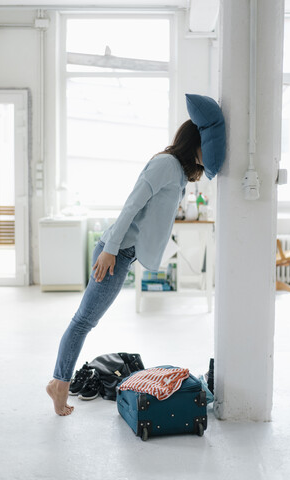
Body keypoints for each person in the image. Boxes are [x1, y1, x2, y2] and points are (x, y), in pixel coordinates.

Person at [46, 119, 205, 415]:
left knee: (85, 319)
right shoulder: (166, 164)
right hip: (116, 252)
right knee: (83, 320)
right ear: (193, 142)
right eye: (205, 144)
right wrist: (109, 250)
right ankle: (60, 383)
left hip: (124, 252)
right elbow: (131, 206)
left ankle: (60, 381)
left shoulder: (179, 173)